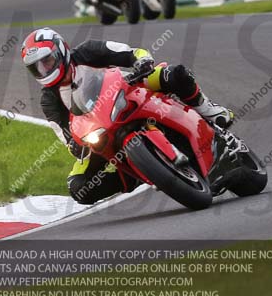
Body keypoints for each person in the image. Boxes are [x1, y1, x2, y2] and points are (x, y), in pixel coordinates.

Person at [21, 28, 236, 205]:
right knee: (78, 187)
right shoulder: (49, 99)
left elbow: (129, 52)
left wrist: (141, 61)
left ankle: (209, 109)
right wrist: (75, 146)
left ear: (61, 51)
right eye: (36, 68)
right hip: (100, 130)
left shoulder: (87, 52)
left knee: (174, 73)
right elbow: (64, 134)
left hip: (128, 89)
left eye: (47, 61)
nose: (44, 70)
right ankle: (133, 175)